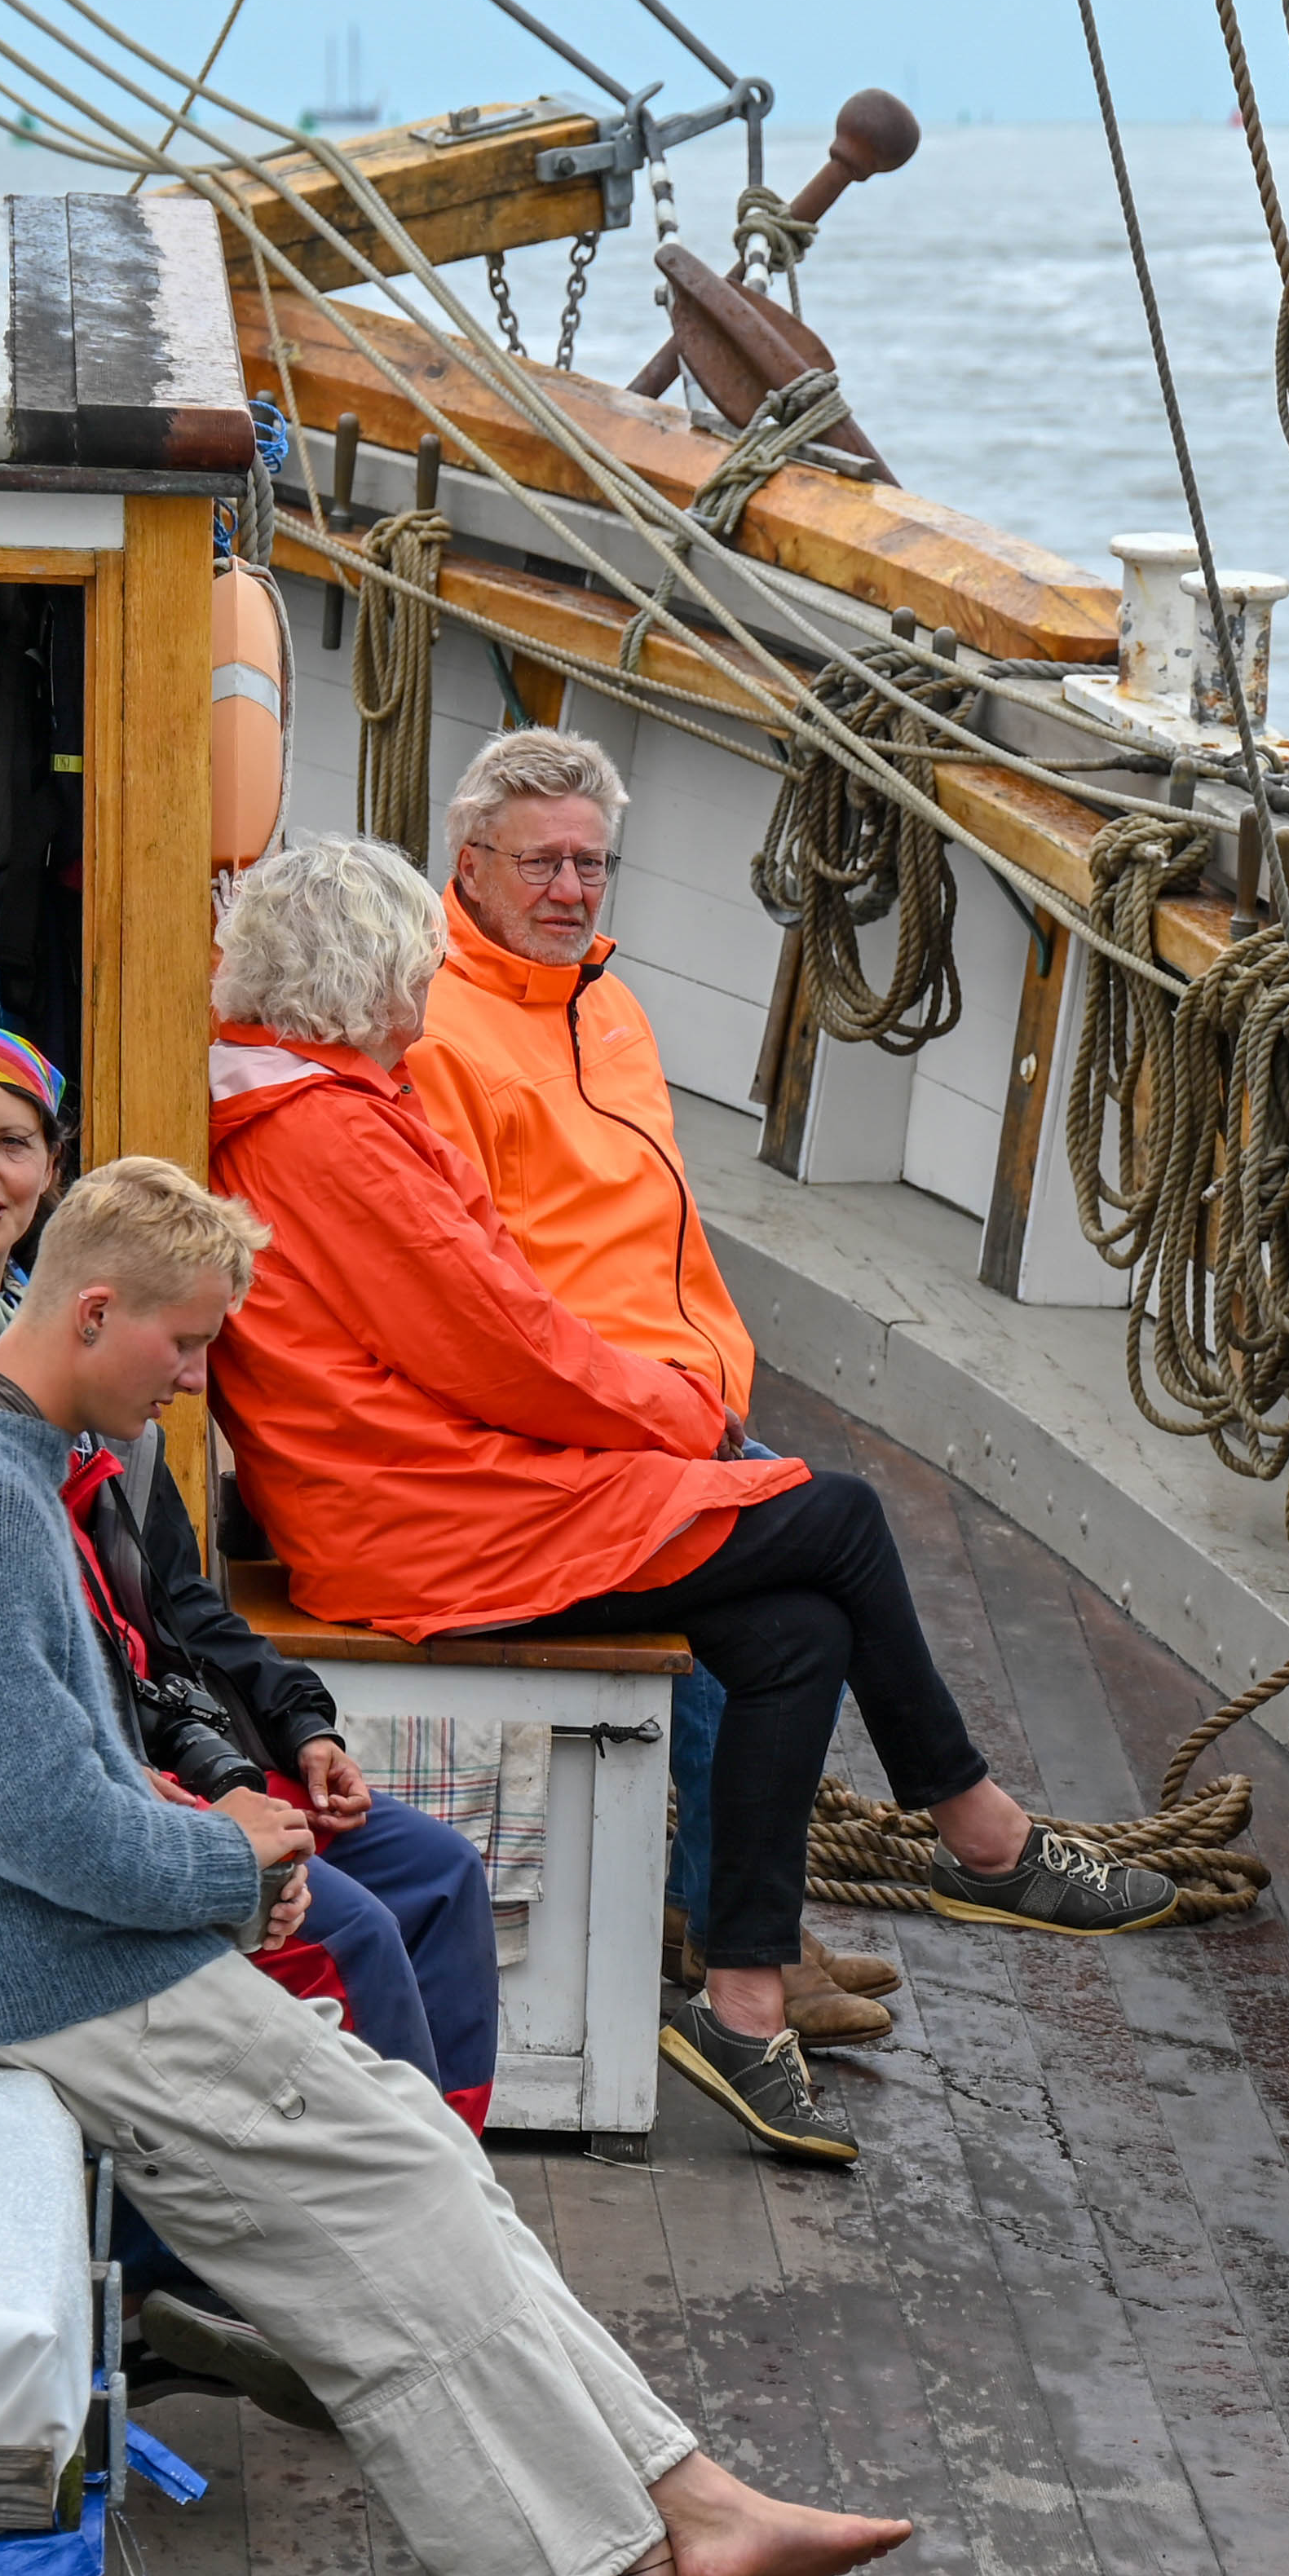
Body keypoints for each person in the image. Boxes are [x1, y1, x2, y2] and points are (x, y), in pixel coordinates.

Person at [0, 1153, 916, 2576]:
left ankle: (679, 2496)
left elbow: (42, 1780)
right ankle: (580, 2569)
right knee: (388, 2187)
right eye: (184, 1342)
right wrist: (232, 1870)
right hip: (17, 1972)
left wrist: (219, 1850)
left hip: (30, 1951)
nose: (192, 1380)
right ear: (93, 1311)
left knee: (417, 2157)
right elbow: (26, 1821)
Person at [206, 837, 1176, 2173]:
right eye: (416, 972)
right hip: (419, 1521)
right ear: (365, 982)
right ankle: (981, 1836)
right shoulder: (328, 1133)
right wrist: (687, 1420)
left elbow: (488, 1327)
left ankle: (745, 2004)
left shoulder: (317, 1103)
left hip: (422, 1483)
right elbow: (502, 1346)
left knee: (795, 1634)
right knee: (834, 1518)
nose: (428, 995)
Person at [0, 1020, 506, 2128]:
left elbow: (175, 1596)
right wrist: (207, 1783)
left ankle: (455, 2172)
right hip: (125, 1766)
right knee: (351, 1931)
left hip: (181, 1733)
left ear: (52, 1166)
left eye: (13, 1142)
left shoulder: (104, 1354)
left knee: (440, 1875)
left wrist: (298, 1724)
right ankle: (386, 2203)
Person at [399, 727, 900, 2056]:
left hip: (675, 1391)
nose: (571, 889)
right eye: (542, 863)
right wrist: (638, 1411)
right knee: (796, 1587)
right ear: (469, 864)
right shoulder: (440, 1029)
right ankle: (765, 1921)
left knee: (797, 1613)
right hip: (578, 1415)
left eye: (592, 863)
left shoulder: (602, 1003)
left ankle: (730, 1918)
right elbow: (481, 1289)